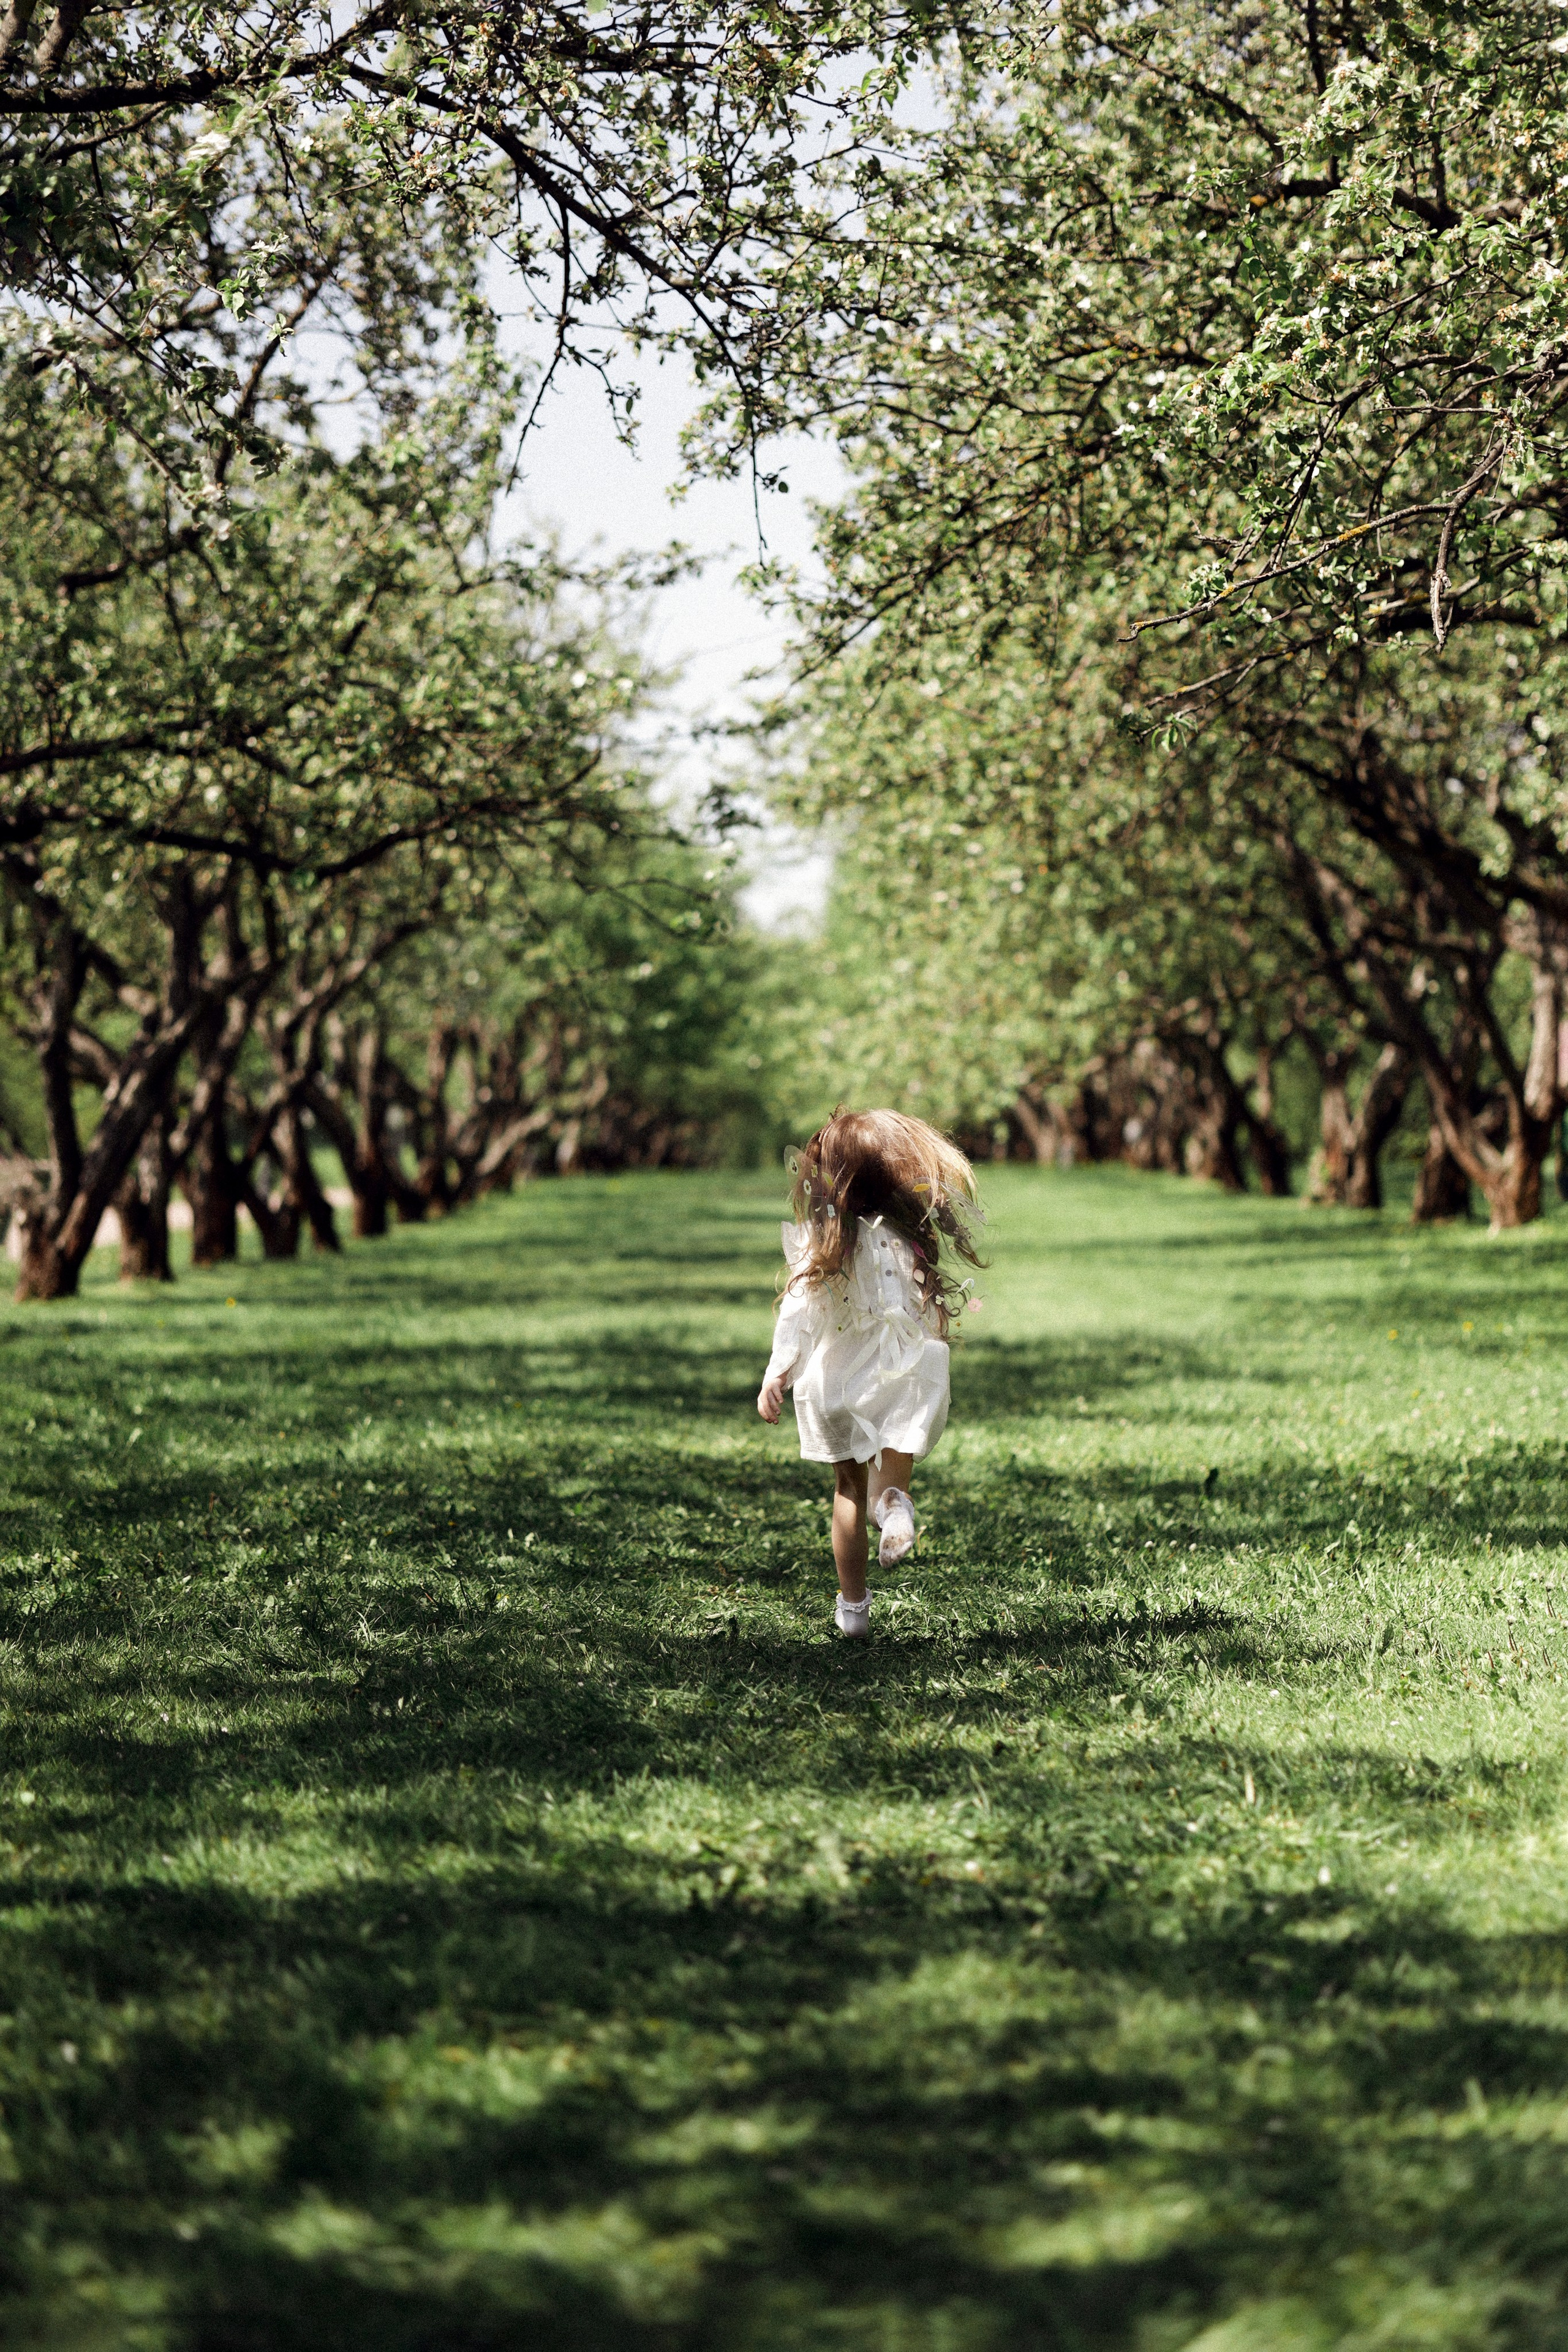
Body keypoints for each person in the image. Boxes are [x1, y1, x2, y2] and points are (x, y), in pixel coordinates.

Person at [756, 1108, 984, 1637]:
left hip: (834, 1378)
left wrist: (777, 1374)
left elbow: (797, 1313)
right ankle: (897, 1506)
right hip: (896, 1371)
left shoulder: (825, 1241)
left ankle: (854, 1608)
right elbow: (920, 1312)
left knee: (847, 1488)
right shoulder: (907, 1239)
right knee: (895, 1449)